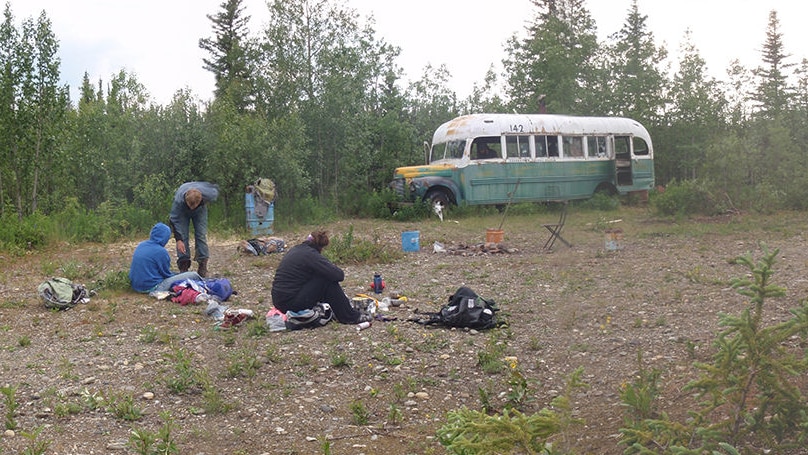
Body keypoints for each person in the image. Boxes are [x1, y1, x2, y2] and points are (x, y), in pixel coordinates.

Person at [270, 230, 370, 324]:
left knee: (318, 278)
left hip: (279, 301)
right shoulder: (311, 255)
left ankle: (338, 308)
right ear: (320, 247)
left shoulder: (296, 250)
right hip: (290, 304)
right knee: (326, 280)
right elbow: (338, 275)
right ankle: (350, 317)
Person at [129, 222, 202, 293]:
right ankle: (207, 283)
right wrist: (177, 275)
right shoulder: (161, 251)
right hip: (153, 287)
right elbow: (166, 274)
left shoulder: (141, 245)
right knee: (193, 275)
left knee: (179, 275)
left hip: (136, 286)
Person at [169, 181, 219, 278]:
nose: (192, 209)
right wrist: (178, 239)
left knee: (201, 235)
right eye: (190, 206)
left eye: (194, 206)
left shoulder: (210, 194)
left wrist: (201, 204)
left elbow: (215, 187)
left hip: (200, 210)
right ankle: (183, 266)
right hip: (182, 211)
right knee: (183, 237)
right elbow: (173, 220)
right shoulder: (178, 201)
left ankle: (202, 266)